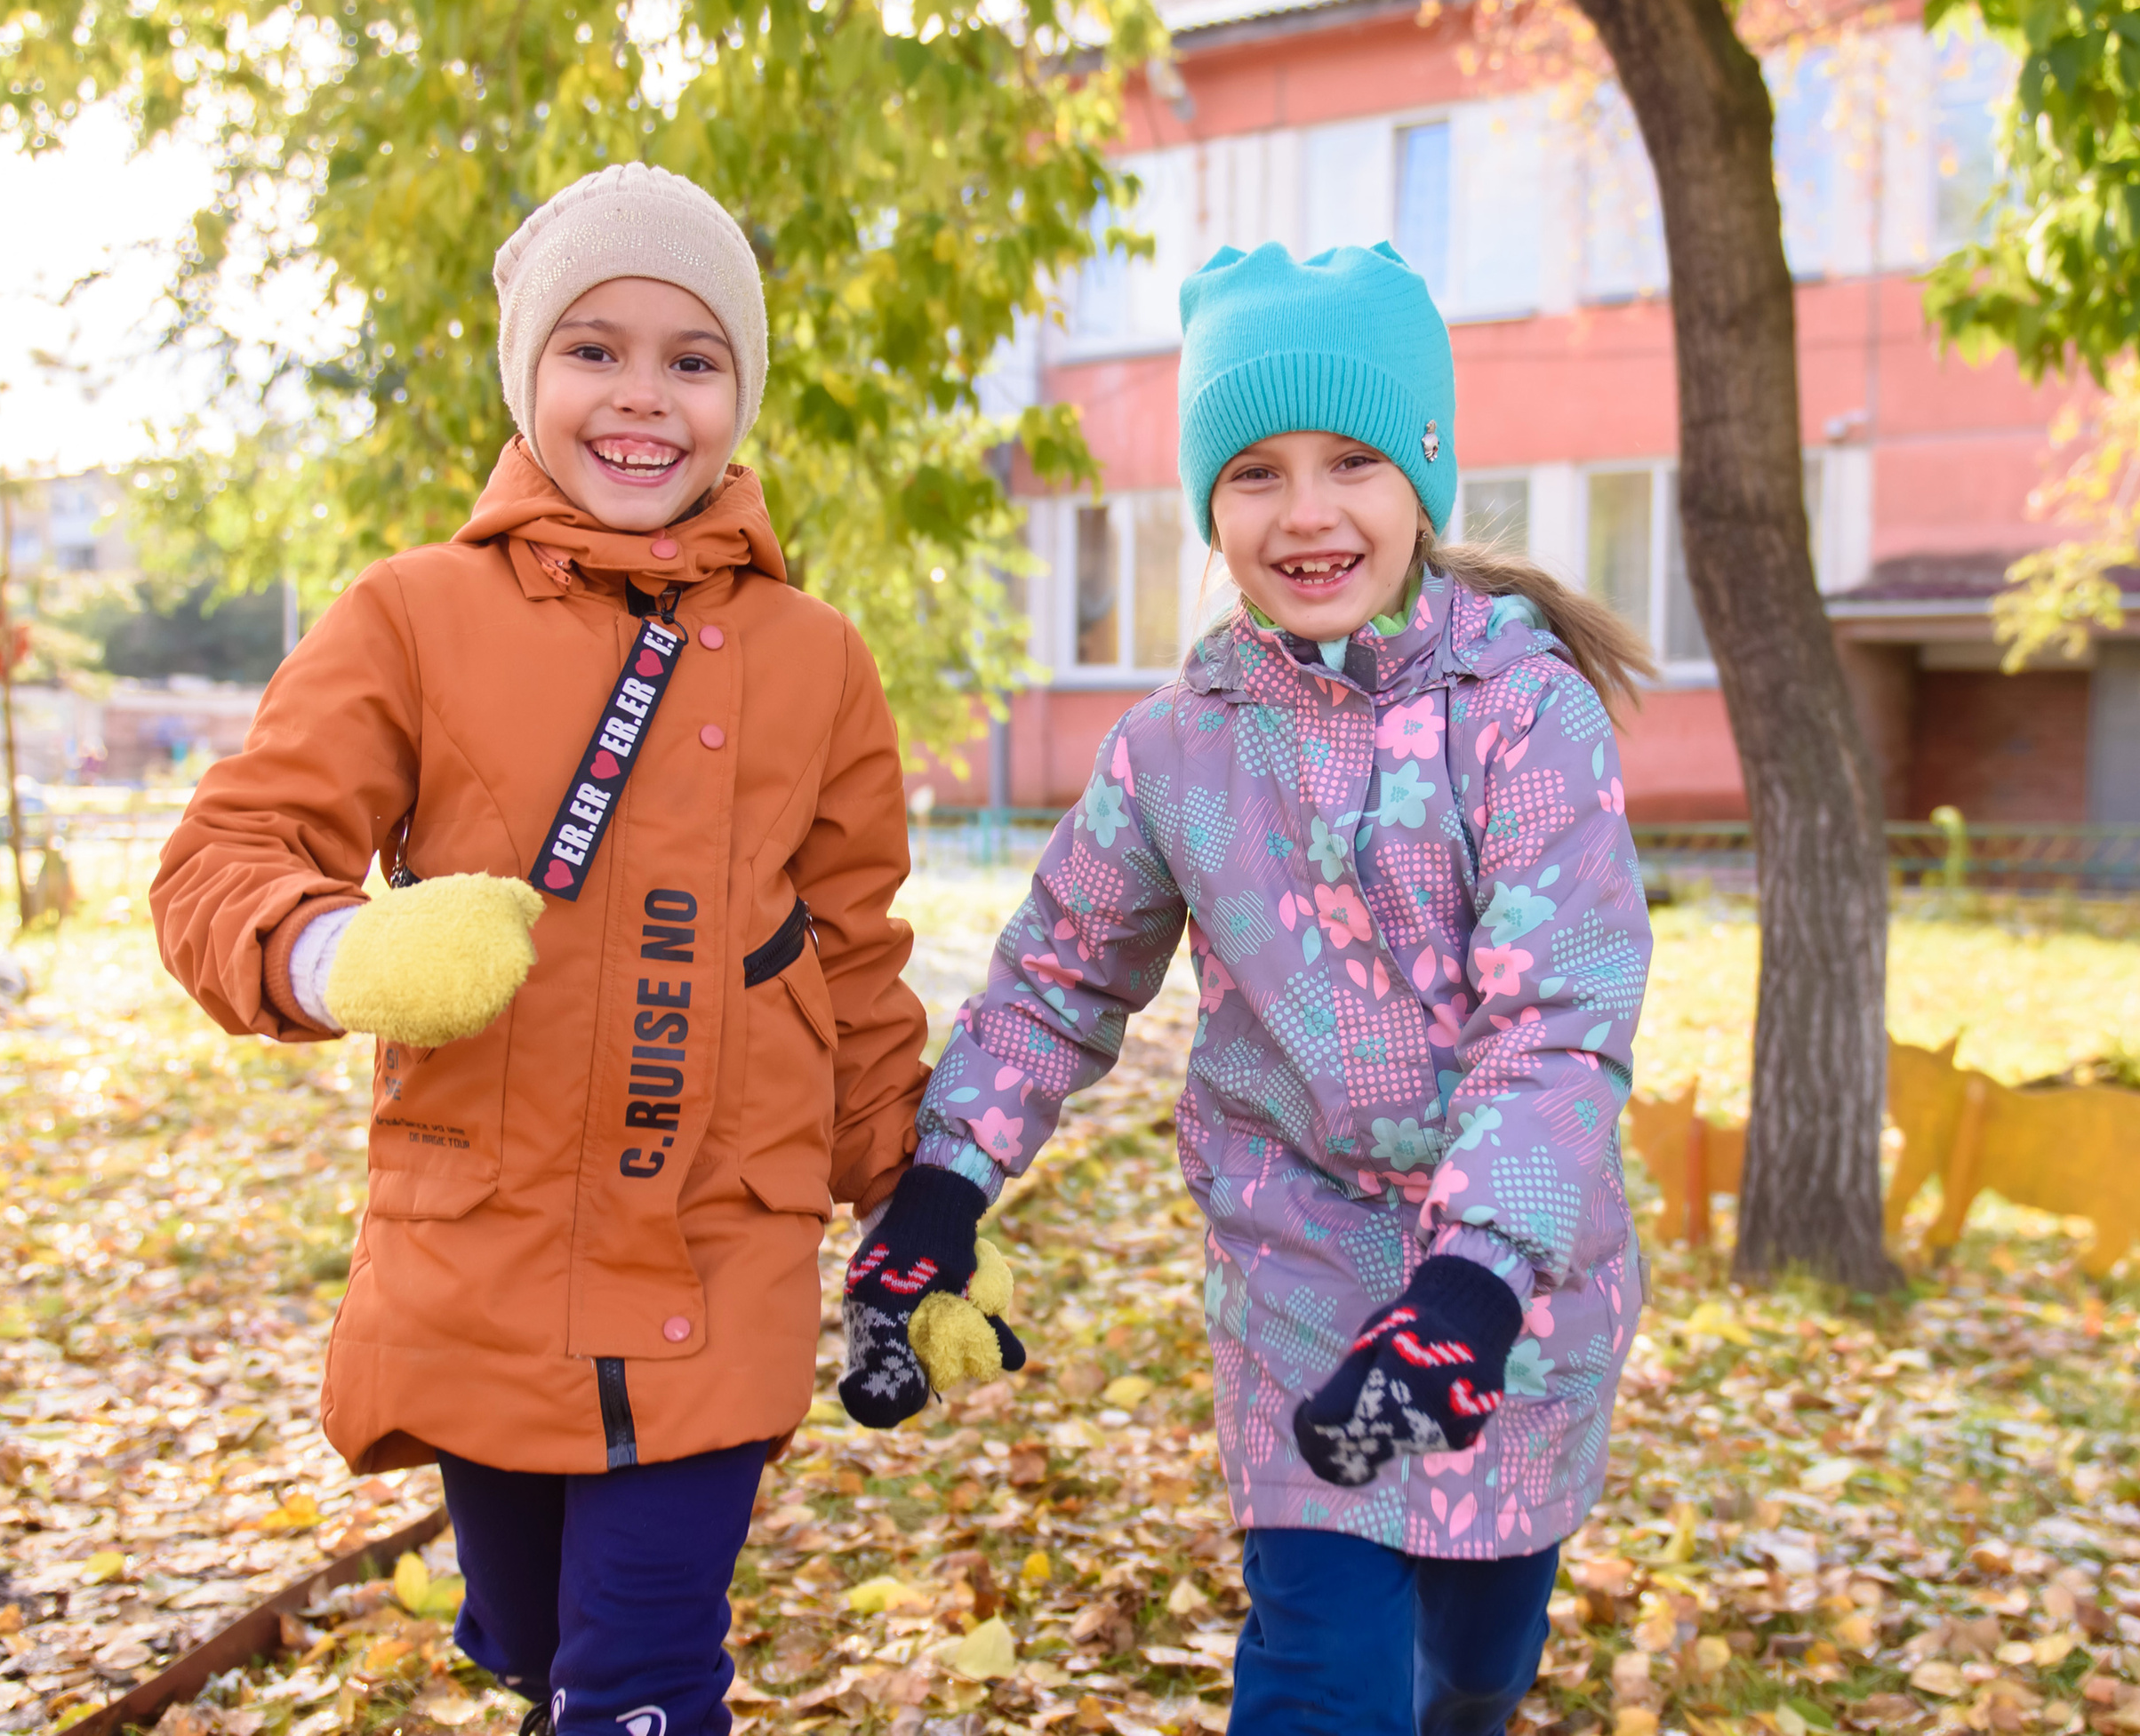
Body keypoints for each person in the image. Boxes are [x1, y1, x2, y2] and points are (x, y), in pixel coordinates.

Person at [151, 163, 931, 1736]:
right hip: (483, 1256)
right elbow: (221, 863)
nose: (642, 398)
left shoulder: (817, 660)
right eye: (595, 348)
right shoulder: (412, 616)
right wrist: (333, 955)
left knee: (641, 1679)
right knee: (529, 1642)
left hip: (724, 1252)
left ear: (740, 394)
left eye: (693, 359)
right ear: (527, 375)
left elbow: (855, 961)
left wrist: (922, 1216)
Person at [838, 240, 1656, 1736]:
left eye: (1350, 459)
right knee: (1321, 1670)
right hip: (1295, 1270)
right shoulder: (1177, 745)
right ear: (1209, 506)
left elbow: (1559, 1024)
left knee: (1477, 1651)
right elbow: (1053, 980)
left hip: (1515, 1288)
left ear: (1424, 477)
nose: (1306, 512)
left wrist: (1471, 1287)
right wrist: (938, 1199)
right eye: (1255, 471)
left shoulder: (1524, 712)